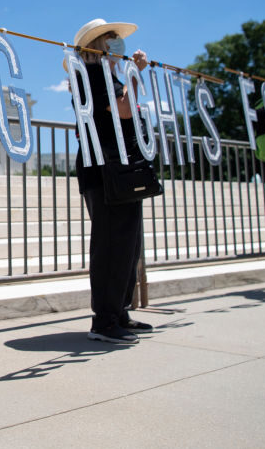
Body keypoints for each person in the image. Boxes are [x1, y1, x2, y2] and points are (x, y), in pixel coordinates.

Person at [72, 18, 153, 345]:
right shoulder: (91, 75)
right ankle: (104, 319)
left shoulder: (109, 76)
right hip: (103, 167)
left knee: (128, 243)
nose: (117, 43)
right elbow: (121, 112)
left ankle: (119, 312)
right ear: (98, 46)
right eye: (111, 39)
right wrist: (135, 77)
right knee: (111, 242)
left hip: (119, 165)